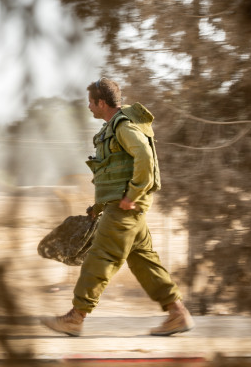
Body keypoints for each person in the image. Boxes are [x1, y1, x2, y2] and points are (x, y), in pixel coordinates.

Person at [41, 78, 195, 337]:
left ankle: (76, 317)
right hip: (126, 209)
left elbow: (144, 157)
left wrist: (132, 195)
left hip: (125, 209)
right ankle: (177, 313)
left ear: (102, 103)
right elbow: (113, 172)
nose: (89, 107)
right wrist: (99, 206)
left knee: (100, 257)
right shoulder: (113, 128)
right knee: (145, 261)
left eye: (91, 102)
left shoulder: (123, 126)